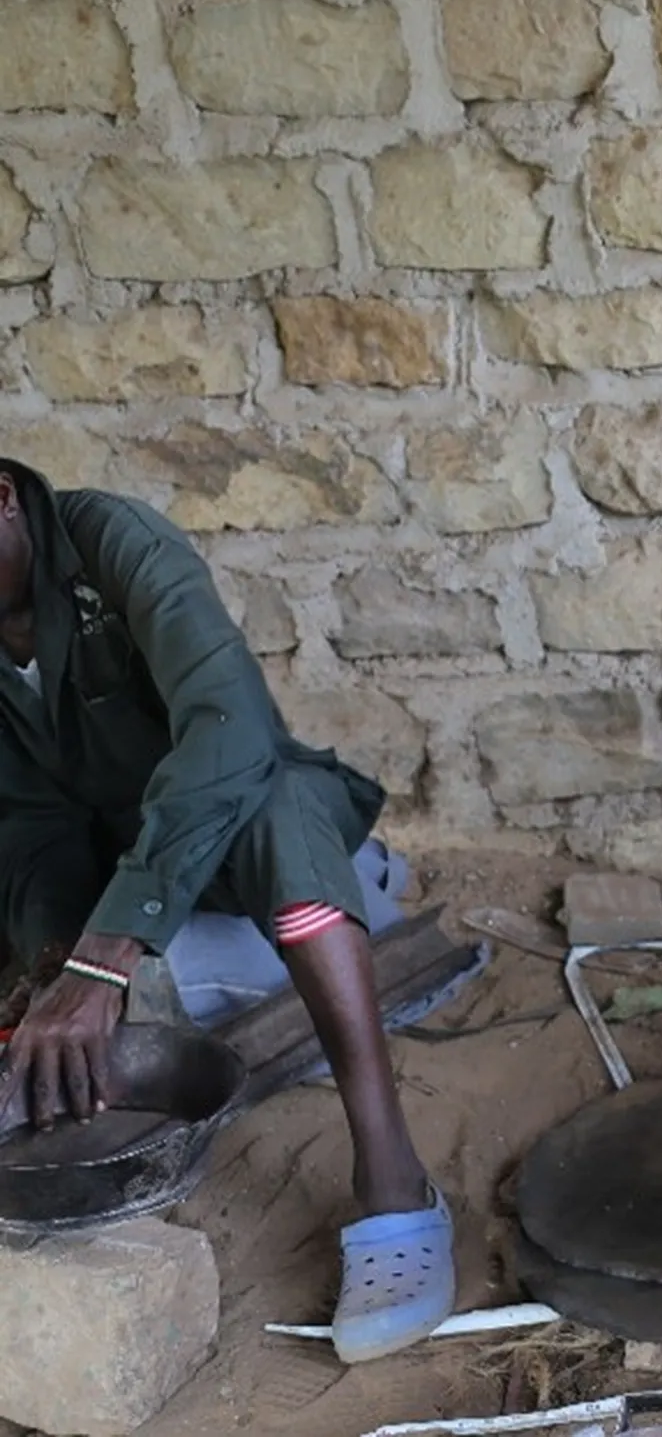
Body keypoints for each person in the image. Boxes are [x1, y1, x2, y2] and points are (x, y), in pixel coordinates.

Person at [0, 459, 454, 1366]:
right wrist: (56, 959)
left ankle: (397, 1185)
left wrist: (109, 954)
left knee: (281, 815)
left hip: (231, 826)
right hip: (120, 875)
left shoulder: (112, 541)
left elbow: (229, 727)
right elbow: (29, 821)